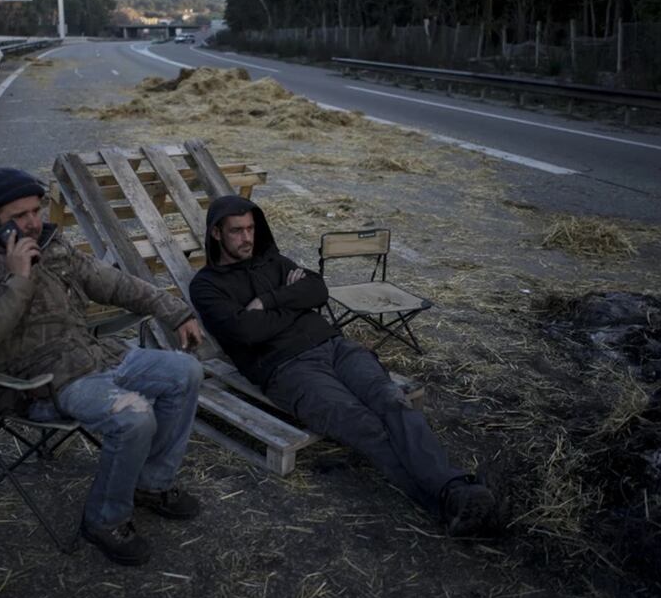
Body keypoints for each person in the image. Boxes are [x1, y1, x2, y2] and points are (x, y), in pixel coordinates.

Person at [0, 168, 206, 566]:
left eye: (36, 209)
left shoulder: (52, 244)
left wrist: (175, 311)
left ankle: (150, 485)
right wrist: (17, 281)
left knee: (186, 372)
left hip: (93, 356)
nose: (33, 222)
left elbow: (113, 284)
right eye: (20, 215)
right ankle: (104, 520)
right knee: (134, 418)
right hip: (38, 383)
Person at [189, 195, 497, 537]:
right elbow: (246, 332)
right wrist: (294, 304)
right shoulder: (206, 286)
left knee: (392, 401)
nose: (247, 238)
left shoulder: (274, 262)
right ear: (216, 233)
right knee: (363, 425)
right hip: (289, 370)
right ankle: (452, 495)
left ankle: (453, 492)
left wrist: (268, 302)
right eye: (236, 231)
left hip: (336, 347)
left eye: (250, 229)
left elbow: (318, 290)